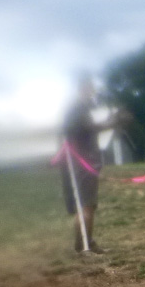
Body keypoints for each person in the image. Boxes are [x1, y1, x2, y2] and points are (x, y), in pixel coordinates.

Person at [59, 75, 111, 253]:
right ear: (82, 89)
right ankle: (82, 246)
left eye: (93, 89)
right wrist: (112, 122)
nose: (92, 93)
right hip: (81, 164)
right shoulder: (77, 109)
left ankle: (87, 241)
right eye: (90, 89)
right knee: (85, 205)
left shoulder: (81, 109)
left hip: (86, 162)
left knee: (89, 205)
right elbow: (87, 128)